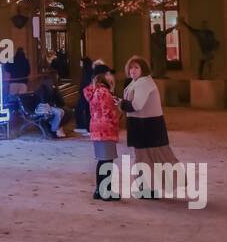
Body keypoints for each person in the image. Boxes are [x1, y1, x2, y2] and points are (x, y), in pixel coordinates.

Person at [121, 55, 180, 198]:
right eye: (131, 67)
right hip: (142, 125)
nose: (133, 70)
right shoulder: (135, 82)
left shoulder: (143, 83)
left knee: (153, 158)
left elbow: (136, 105)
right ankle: (148, 189)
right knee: (146, 158)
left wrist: (121, 104)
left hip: (147, 126)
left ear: (143, 69)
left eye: (136, 67)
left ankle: (151, 189)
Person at [85, 63, 121, 200]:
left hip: (96, 128)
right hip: (106, 129)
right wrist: (117, 115)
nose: (110, 76)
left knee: (102, 160)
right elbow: (108, 112)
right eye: (108, 74)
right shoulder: (104, 92)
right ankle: (106, 191)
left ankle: (99, 191)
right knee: (107, 161)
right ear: (104, 76)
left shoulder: (94, 91)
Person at [32, 72, 66, 139]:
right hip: (41, 107)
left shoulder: (51, 87)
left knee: (62, 111)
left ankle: (54, 128)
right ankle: (54, 131)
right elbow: (43, 101)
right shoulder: (43, 88)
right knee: (58, 112)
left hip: (48, 106)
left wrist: (56, 90)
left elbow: (59, 101)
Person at [74, 56, 93, 134]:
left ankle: (85, 127)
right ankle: (85, 127)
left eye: (81, 62)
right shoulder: (87, 70)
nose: (80, 64)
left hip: (86, 95)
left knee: (82, 110)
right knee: (85, 110)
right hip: (85, 94)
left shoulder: (88, 71)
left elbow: (85, 84)